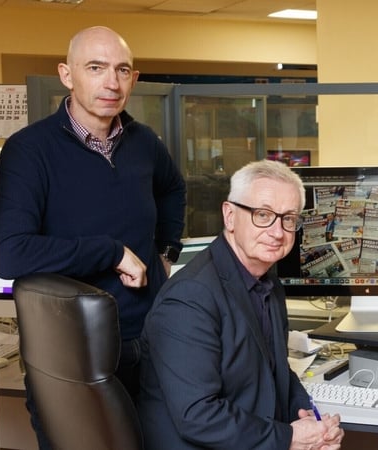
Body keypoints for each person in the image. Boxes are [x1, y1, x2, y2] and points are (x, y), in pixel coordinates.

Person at [0, 26, 185, 449]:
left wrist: (165, 251)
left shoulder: (144, 143)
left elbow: (174, 189)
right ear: (67, 75)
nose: (111, 83)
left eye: (122, 70)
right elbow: (9, 253)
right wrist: (112, 252)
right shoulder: (29, 151)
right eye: (95, 68)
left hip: (150, 339)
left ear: (134, 79)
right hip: (70, 354)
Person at [137, 160, 344, 449]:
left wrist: (310, 419)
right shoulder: (188, 298)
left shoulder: (266, 279)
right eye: (263, 215)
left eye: (289, 218)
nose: (277, 232)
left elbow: (276, 370)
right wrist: (290, 438)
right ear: (230, 216)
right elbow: (198, 416)